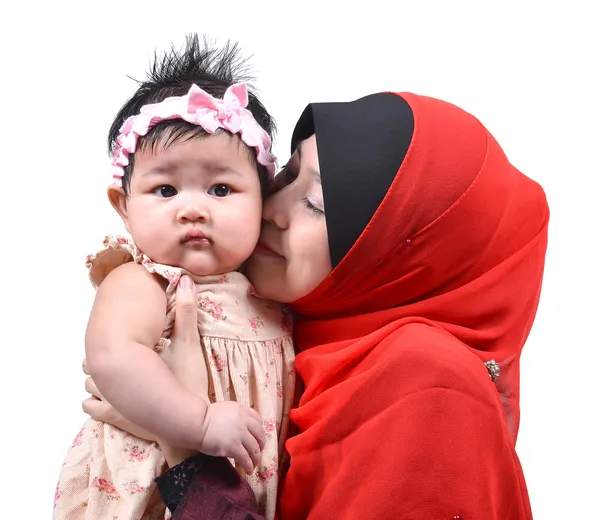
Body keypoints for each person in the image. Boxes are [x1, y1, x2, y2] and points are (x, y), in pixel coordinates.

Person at [86, 89, 549, 519]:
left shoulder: (426, 389)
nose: (270, 208)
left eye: (316, 203)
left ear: (394, 253)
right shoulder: (290, 330)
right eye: (285, 175)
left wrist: (184, 445)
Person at [54, 35, 295, 520]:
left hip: (240, 492)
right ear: (123, 207)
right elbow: (113, 357)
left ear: (263, 202)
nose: (192, 209)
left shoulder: (267, 288)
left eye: (221, 189)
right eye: (164, 189)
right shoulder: (144, 281)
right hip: (154, 490)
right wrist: (199, 423)